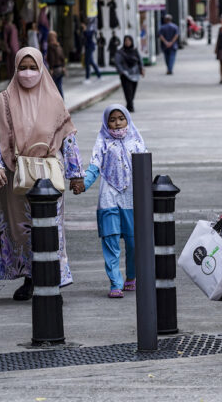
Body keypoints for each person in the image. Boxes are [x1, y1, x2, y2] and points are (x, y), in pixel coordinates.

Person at [0, 47, 85, 300]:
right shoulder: (3, 101)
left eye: (32, 67)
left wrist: (76, 173)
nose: (27, 73)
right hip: (15, 177)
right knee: (21, 230)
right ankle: (30, 278)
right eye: (22, 68)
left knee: (51, 228)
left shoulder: (55, 101)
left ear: (42, 69)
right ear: (15, 69)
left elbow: (68, 138)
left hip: (49, 176)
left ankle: (53, 277)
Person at [78, 105, 146, 298]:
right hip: (108, 197)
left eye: (121, 118)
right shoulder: (102, 141)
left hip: (131, 199)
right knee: (110, 240)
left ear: (127, 119)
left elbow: (144, 167)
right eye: (112, 119)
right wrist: (83, 184)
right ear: (106, 122)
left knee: (133, 242)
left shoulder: (136, 140)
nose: (117, 123)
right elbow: (94, 166)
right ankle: (115, 283)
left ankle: (131, 276)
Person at [113, 35, 144, 113]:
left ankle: (129, 104)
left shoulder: (135, 51)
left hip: (135, 74)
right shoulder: (120, 52)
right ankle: (130, 106)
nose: (127, 42)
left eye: (129, 41)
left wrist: (141, 69)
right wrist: (121, 71)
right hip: (125, 75)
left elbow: (140, 60)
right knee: (127, 91)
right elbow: (117, 62)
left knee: (132, 91)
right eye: (126, 41)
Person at [46, 31, 66, 96]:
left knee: (54, 87)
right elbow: (62, 57)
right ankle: (61, 99)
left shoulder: (50, 47)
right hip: (60, 68)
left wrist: (51, 68)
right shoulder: (58, 45)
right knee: (59, 86)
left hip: (54, 69)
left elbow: (52, 58)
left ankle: (57, 100)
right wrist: (63, 66)